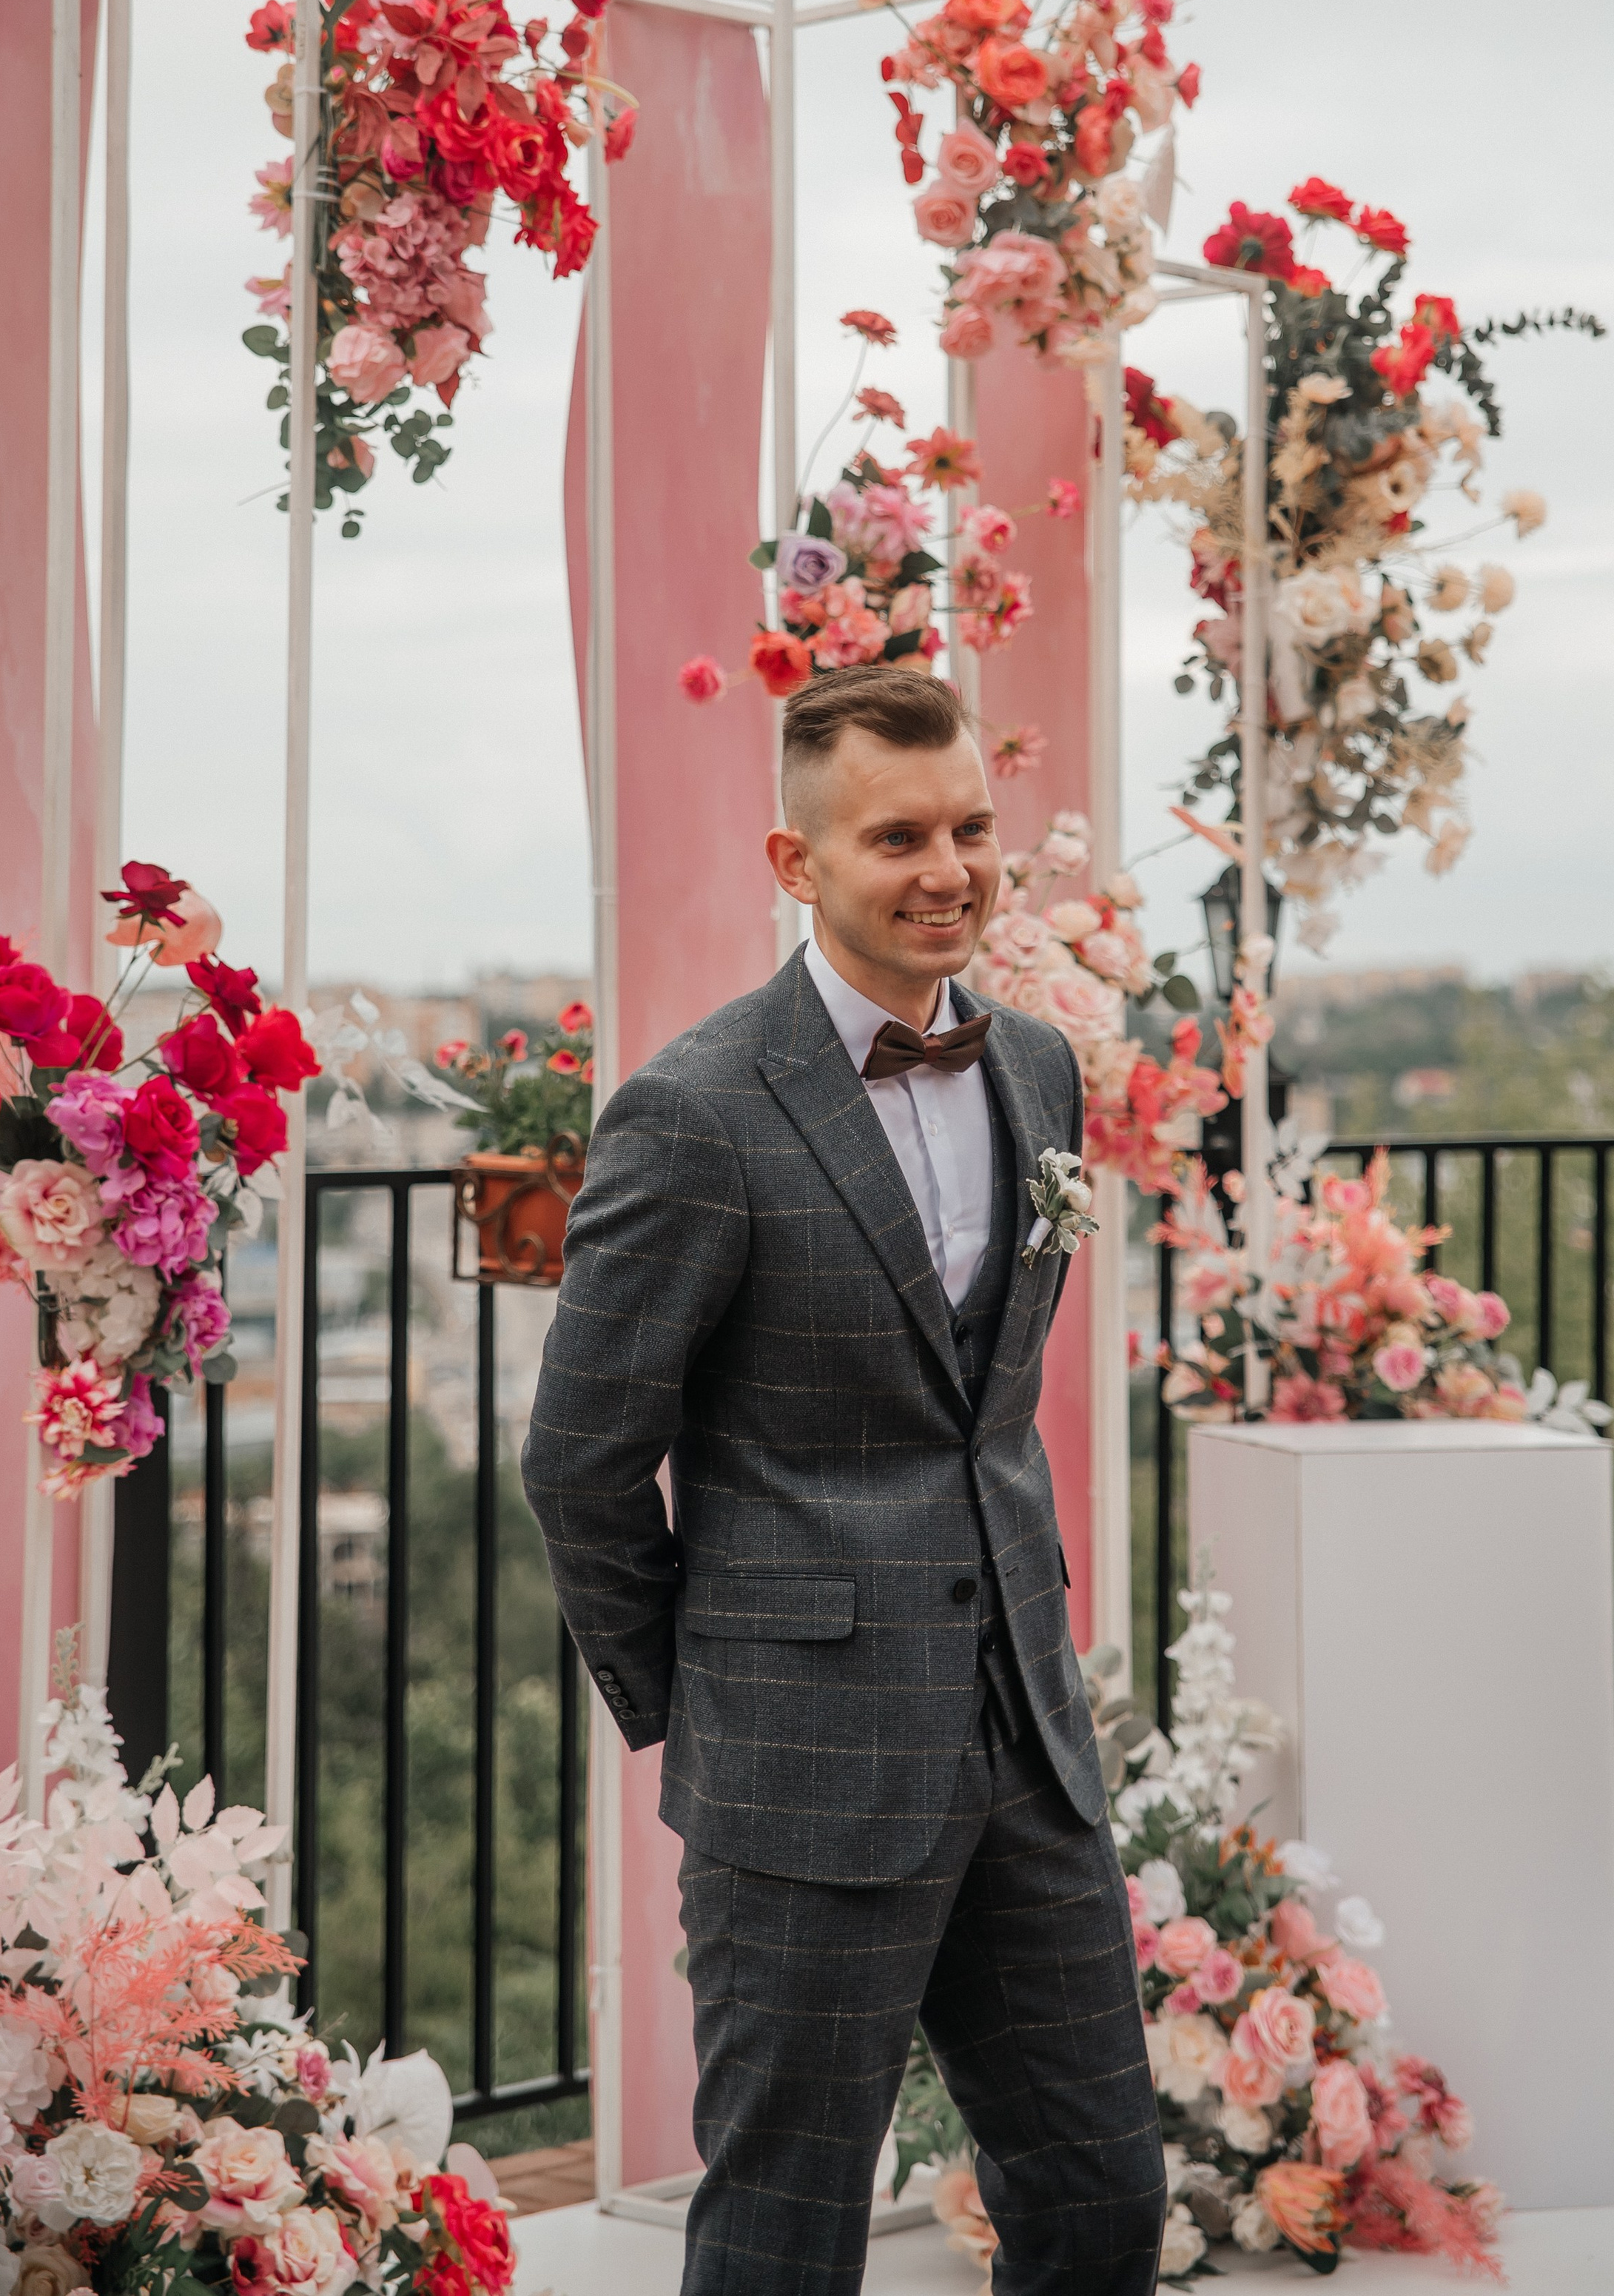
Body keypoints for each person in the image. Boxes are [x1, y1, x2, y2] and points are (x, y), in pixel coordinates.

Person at [522, 664, 1167, 2292]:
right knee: (784, 2234)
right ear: (794, 861)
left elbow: (979, 1409)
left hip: (1026, 1739)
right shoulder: (693, 1111)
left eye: (969, 828)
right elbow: (580, 1458)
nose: (949, 870)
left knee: (1102, 2194)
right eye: (896, 838)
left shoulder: (1040, 1070)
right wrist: (711, 1697)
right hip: (798, 1766)